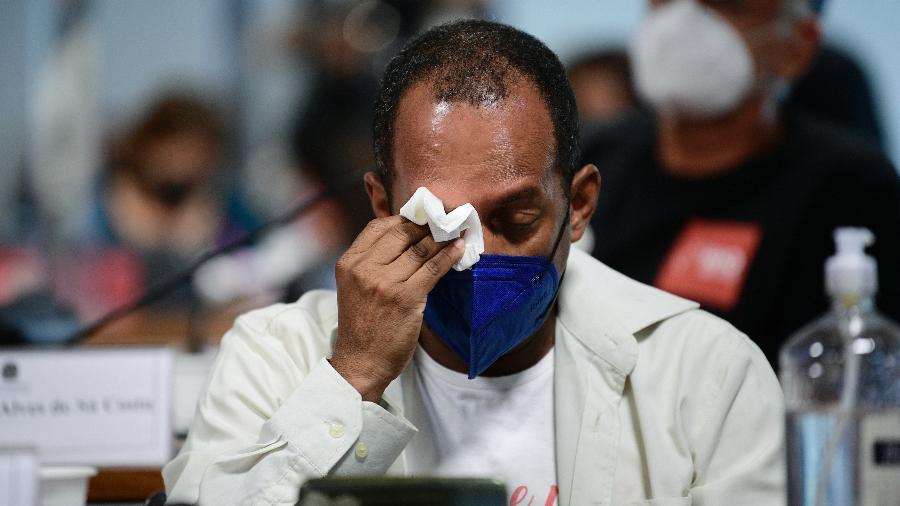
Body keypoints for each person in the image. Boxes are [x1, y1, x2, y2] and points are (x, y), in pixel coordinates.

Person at [163, 20, 784, 505]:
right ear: (381, 205)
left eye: (516, 220)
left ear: (580, 204)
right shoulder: (273, 355)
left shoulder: (705, 374)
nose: (477, 255)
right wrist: (351, 378)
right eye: (439, 223)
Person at [583, 0, 900, 366]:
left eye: (729, 6)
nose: (683, 22)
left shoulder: (849, 189)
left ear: (798, 46)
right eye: (666, 1)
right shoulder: (592, 158)